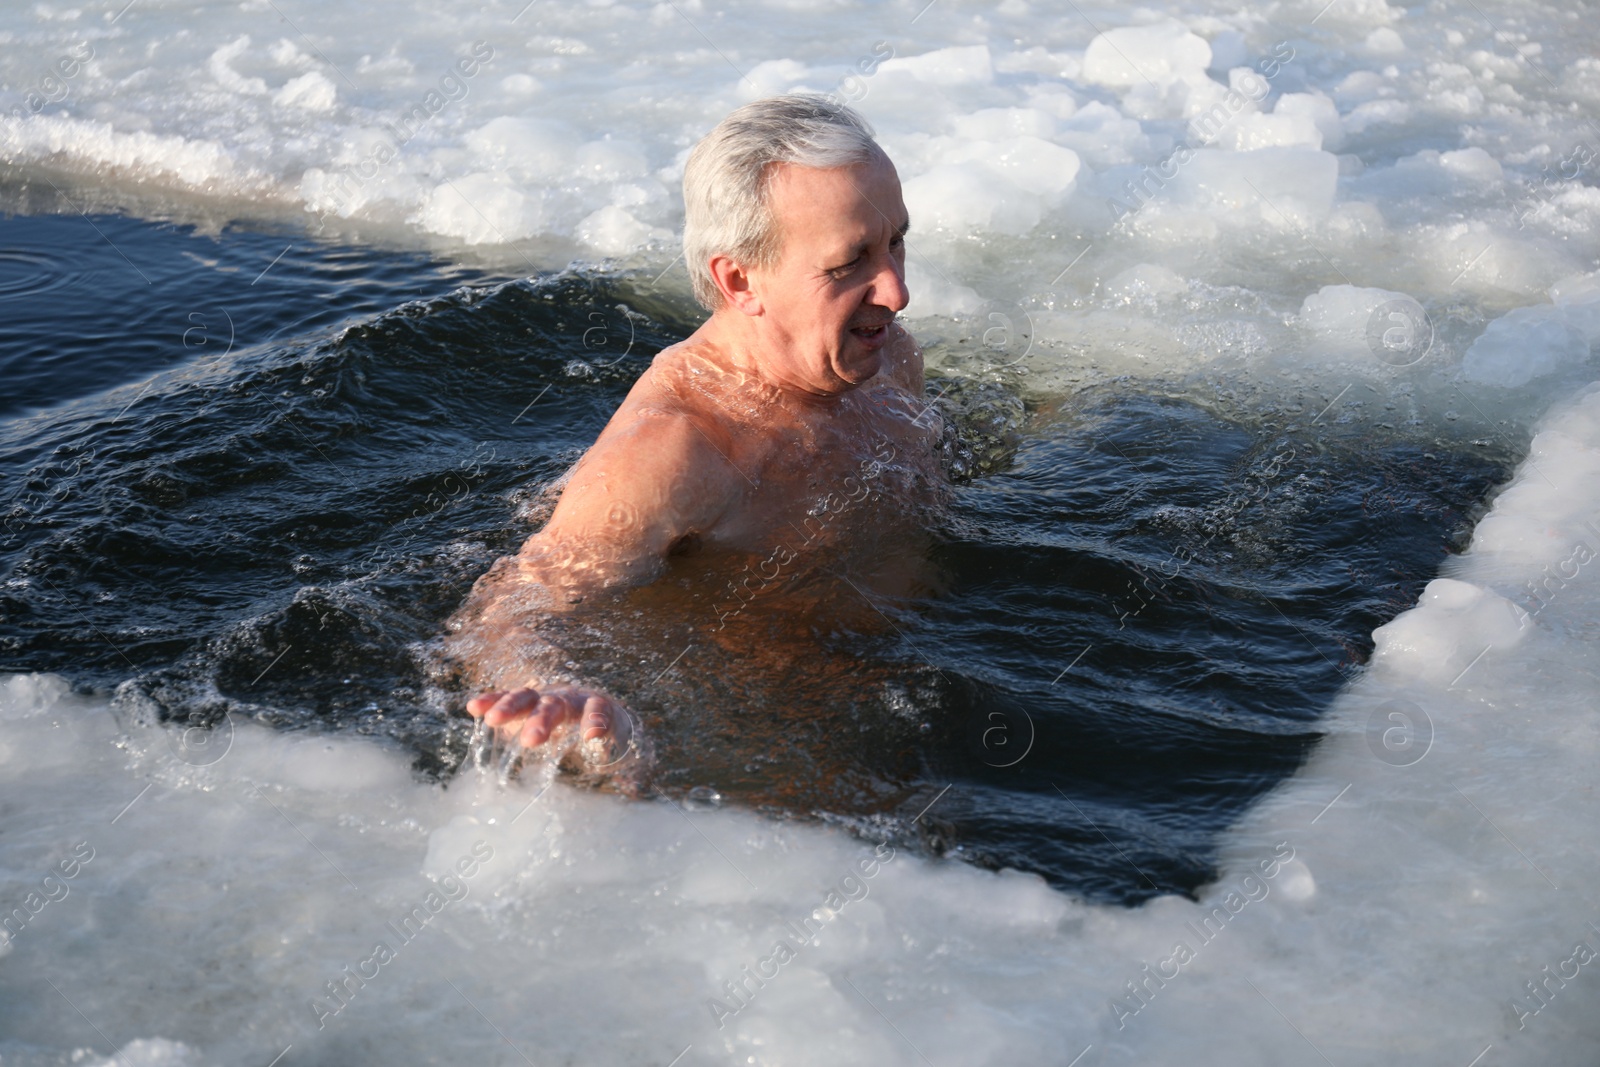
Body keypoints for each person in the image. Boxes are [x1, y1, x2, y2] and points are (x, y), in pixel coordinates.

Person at [449, 95, 946, 775]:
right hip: (760, 734)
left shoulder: (886, 356)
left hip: (913, 688)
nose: (895, 290)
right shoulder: (677, 450)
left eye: (897, 242)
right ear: (740, 279)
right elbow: (512, 605)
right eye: (849, 262)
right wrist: (553, 693)